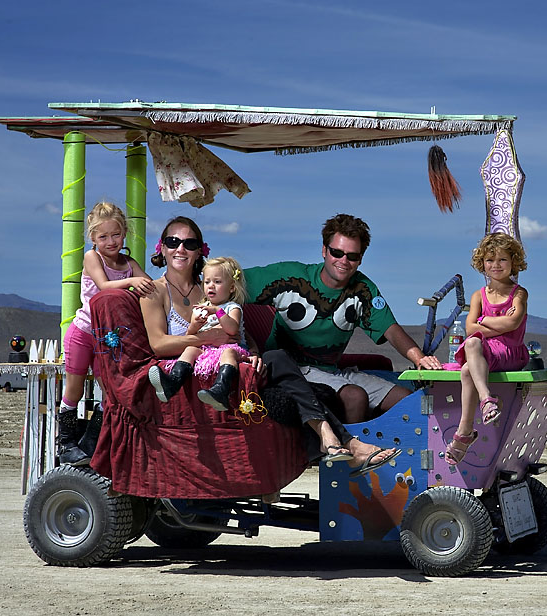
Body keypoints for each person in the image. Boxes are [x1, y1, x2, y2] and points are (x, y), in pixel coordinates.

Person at [142, 216, 397, 475]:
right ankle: (342, 441)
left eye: (189, 243)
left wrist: (252, 352)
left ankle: (332, 440)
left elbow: (239, 329)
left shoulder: (212, 287)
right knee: (283, 363)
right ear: (161, 248)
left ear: (200, 250)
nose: (181, 249)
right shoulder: (154, 290)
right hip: (194, 370)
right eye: (173, 242)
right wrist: (207, 339)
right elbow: (158, 345)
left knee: (275, 357)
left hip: (232, 362)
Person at [244, 213, 442, 424]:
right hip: (291, 370)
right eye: (336, 252)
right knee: (355, 396)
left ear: (360, 259)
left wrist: (420, 359)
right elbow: (227, 281)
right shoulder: (290, 277)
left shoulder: (363, 289)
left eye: (352, 256)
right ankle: (350, 454)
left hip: (333, 372)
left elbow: (391, 329)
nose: (343, 261)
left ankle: (397, 453)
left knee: (406, 399)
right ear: (324, 250)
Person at [58, 201, 155, 465]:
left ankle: (90, 442)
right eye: (103, 236)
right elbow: (104, 286)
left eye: (116, 234)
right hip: (84, 331)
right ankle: (65, 442)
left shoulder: (129, 262)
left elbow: (150, 287)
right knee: (75, 388)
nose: (111, 241)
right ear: (93, 238)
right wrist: (133, 282)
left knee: (110, 392)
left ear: (125, 234)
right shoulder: (93, 258)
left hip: (109, 338)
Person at [444, 233, 529, 465]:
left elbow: (512, 323)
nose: (496, 265)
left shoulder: (518, 293)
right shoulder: (478, 295)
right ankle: (468, 426)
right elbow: (471, 328)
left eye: (502, 260)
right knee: (467, 366)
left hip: (510, 351)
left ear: (513, 263)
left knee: (472, 347)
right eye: (490, 260)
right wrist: (492, 323)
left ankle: (473, 419)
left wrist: (484, 322)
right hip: (486, 352)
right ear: (482, 264)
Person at [148, 255, 252, 412]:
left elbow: (232, 330)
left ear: (231, 287)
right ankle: (172, 382)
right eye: (207, 281)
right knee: (190, 349)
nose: (211, 286)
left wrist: (217, 312)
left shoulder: (232, 308)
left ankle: (220, 390)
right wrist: (195, 325)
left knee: (229, 353)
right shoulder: (201, 307)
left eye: (217, 282)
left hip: (232, 349)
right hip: (208, 350)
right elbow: (189, 335)